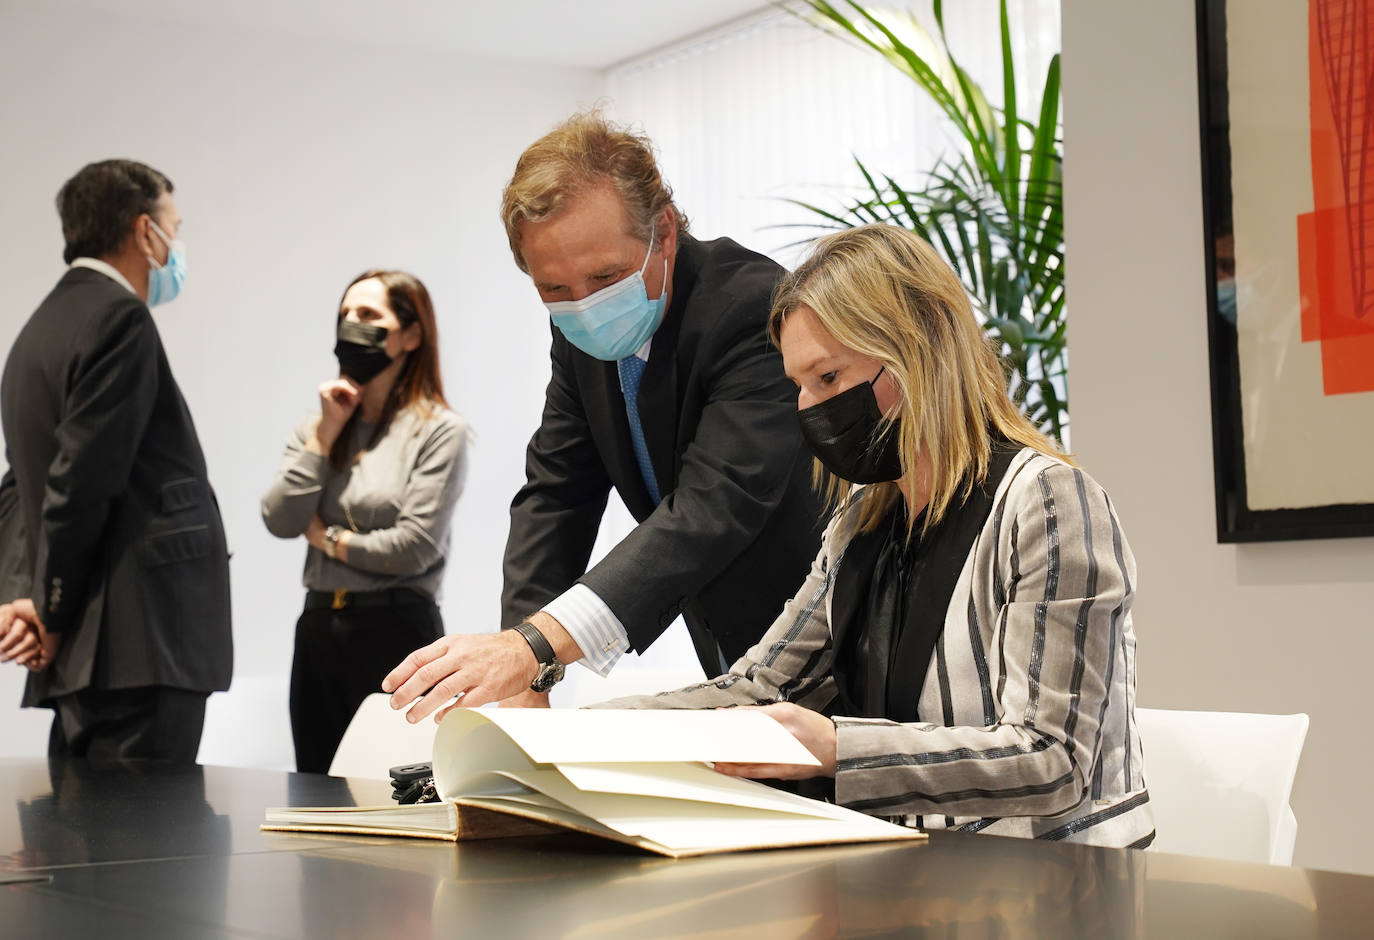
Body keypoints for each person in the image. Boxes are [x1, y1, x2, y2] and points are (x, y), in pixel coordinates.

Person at [590, 224, 1154, 848]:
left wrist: (838, 750)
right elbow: (757, 687)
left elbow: (1052, 760)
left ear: (917, 354)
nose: (808, 410)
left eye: (828, 379)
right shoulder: (860, 524)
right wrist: (574, 733)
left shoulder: (1047, 504)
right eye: (798, 388)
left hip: (1060, 890)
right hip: (924, 882)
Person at [383, 112, 821, 718]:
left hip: (821, 632)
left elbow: (712, 506)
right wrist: (525, 675)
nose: (584, 306)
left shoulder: (748, 307)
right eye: (553, 290)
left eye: (605, 277)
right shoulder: (581, 334)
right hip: (723, 642)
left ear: (663, 232)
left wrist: (534, 645)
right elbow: (557, 492)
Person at [0, 159, 232, 763]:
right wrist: (48, 610)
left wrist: (25, 594)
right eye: (173, 227)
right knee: (139, 845)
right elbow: (79, 483)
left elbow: (20, 486)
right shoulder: (119, 317)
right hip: (138, 640)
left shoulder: (36, 332)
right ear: (142, 231)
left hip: (92, 648)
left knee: (86, 842)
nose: (176, 245)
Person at [262, 269, 468, 773]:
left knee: (392, 791)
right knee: (315, 793)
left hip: (395, 631)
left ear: (411, 335)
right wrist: (326, 434)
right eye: (345, 315)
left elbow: (415, 546)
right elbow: (280, 517)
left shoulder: (439, 431)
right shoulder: (318, 426)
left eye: (369, 315)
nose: (352, 324)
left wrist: (327, 538)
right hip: (318, 630)